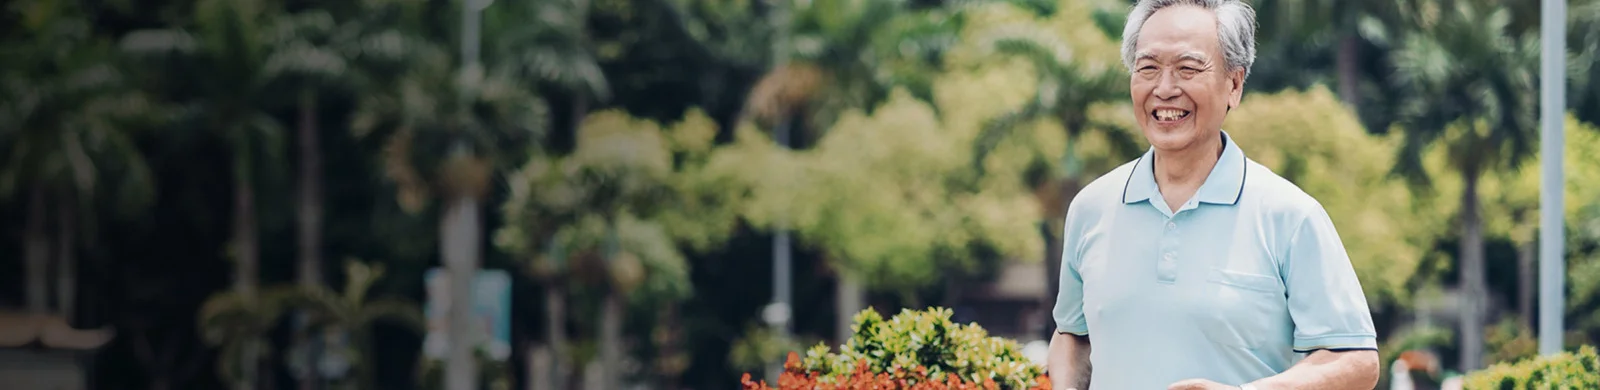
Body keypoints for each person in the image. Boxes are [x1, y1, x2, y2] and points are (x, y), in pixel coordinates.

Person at [1045, 1, 1381, 389]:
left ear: (1234, 85)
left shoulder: (1290, 214)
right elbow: (1073, 333)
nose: (1165, 88)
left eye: (1188, 68)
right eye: (1148, 67)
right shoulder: (1091, 207)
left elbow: (1355, 361)